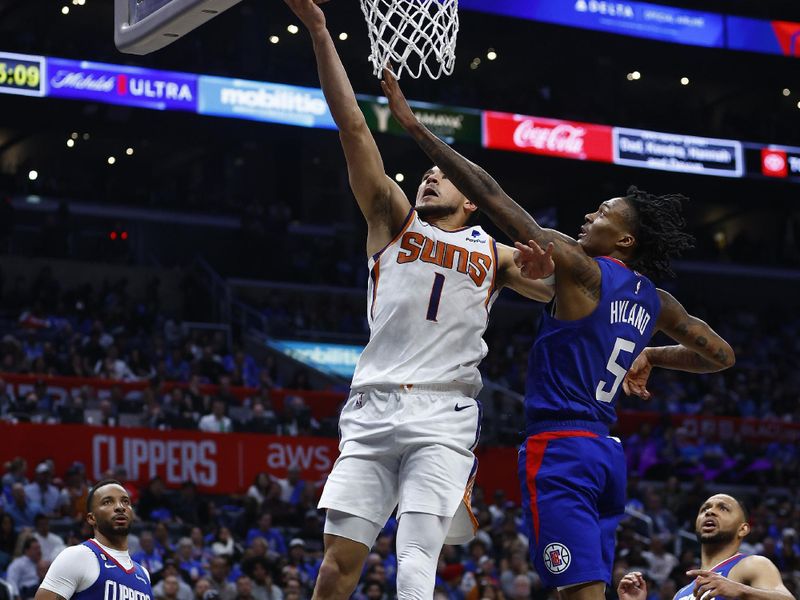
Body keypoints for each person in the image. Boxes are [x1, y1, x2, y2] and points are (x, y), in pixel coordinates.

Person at [381, 70, 735, 600]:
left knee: (579, 593)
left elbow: (492, 195)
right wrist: (653, 355)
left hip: (562, 450)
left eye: (603, 214)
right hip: (605, 452)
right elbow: (721, 356)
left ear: (626, 238)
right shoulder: (658, 302)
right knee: (584, 589)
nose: (589, 216)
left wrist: (415, 127)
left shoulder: (582, 267)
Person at [282, 1, 556, 599]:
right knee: (336, 566)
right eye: (425, 172)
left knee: (414, 562)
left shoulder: (498, 255)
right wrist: (321, 32)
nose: (428, 176)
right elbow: (352, 127)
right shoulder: (391, 219)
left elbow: (572, 296)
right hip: (371, 407)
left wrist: (550, 272)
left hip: (443, 414)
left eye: (443, 173)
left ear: (473, 198)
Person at [618, 494, 793, 600]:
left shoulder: (752, 564)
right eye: (704, 509)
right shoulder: (681, 594)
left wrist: (741, 591)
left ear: (743, 529)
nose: (709, 512)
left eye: (723, 508)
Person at [34, 479, 152, 600]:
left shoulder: (143, 574)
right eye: (107, 502)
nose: (120, 507)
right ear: (91, 518)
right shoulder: (77, 556)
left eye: (125, 501)